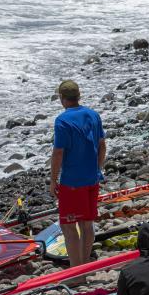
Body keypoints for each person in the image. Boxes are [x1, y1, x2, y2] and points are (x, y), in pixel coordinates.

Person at [50, 80, 106, 267]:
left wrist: (53, 180)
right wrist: (97, 169)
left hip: (72, 182)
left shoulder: (62, 120)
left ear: (62, 98)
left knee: (68, 226)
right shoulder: (93, 115)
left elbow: (58, 153)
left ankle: (76, 271)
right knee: (86, 223)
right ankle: (84, 266)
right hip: (92, 179)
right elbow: (102, 145)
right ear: (79, 96)